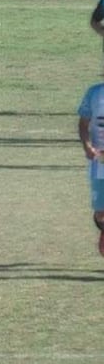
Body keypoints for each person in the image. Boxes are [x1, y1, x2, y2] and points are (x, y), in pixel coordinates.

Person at [77, 77, 104, 256]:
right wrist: (87, 146)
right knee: (101, 213)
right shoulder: (94, 93)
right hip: (99, 164)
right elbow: (83, 124)